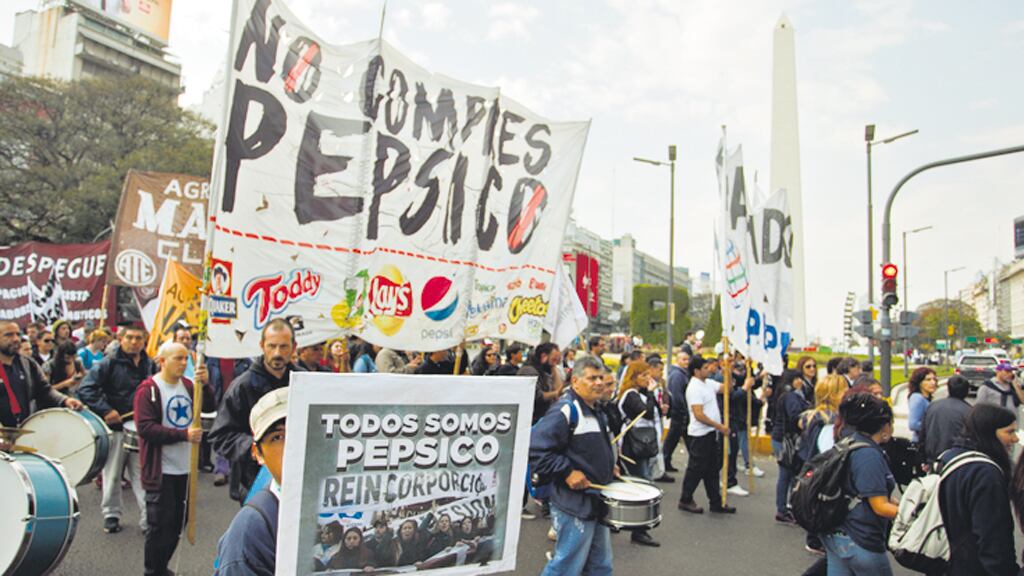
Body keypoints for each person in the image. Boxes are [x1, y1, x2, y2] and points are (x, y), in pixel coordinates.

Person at [531, 355, 616, 576]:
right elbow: (535, 449)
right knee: (566, 567)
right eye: (591, 378)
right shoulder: (566, 411)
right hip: (573, 504)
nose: (598, 382)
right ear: (575, 382)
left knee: (600, 566)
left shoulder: (597, 409)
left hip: (596, 501)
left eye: (600, 377)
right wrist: (567, 472)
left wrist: (610, 467)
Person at [134, 341, 212, 576]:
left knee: (178, 523)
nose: (183, 363)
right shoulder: (148, 390)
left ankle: (162, 567)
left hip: (184, 469)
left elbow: (208, 407)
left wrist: (206, 386)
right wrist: (183, 435)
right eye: (177, 358)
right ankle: (153, 570)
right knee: (159, 526)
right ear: (162, 361)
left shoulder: (189, 386)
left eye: (185, 358)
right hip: (161, 470)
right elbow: (145, 428)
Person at [210, 318, 299, 503]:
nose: (277, 353)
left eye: (283, 347)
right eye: (272, 346)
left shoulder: (303, 381)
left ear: (294, 346)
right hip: (254, 483)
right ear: (262, 345)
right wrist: (262, 447)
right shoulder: (242, 386)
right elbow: (220, 437)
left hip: (297, 481)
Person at [78, 323, 156, 534]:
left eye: (138, 338)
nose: (133, 342)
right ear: (121, 339)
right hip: (117, 427)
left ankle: (147, 518)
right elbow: (85, 388)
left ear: (144, 341)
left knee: (142, 475)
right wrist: (106, 410)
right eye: (129, 337)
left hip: (141, 427)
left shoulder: (150, 364)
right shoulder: (109, 362)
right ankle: (111, 514)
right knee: (112, 473)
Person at [214, 386, 290, 575]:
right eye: (277, 437)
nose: (292, 445)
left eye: (302, 429)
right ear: (258, 453)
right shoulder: (251, 530)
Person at [820, 393, 897, 576]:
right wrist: (911, 514)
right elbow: (879, 507)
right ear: (885, 426)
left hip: (836, 534)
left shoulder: (850, 442)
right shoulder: (869, 455)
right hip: (860, 538)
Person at [942, 404, 1019, 575]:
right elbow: (992, 539)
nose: (1015, 439)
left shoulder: (951, 457)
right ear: (989, 433)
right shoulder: (987, 474)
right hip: (978, 568)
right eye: (1009, 432)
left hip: (953, 563)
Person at [0, 320, 82, 433]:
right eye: (8, 335)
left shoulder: (27, 364)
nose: (15, 339)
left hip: (22, 430)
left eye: (17, 334)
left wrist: (65, 400)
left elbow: (44, 390)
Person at [679, 355, 735, 514]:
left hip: (711, 433)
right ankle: (685, 498)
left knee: (712, 469)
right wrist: (720, 426)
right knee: (696, 469)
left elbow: (727, 389)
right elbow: (699, 415)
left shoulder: (708, 383)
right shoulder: (694, 388)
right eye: (704, 368)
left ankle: (716, 502)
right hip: (699, 434)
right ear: (696, 371)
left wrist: (727, 372)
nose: (709, 370)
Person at [617, 360, 662, 545]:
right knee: (642, 484)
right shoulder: (630, 395)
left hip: (643, 443)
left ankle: (637, 527)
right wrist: (651, 393)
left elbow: (658, 411)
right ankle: (639, 530)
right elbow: (648, 413)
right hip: (632, 446)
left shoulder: (640, 394)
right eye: (643, 375)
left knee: (642, 482)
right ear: (634, 377)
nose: (647, 378)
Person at [772, 356, 813, 524]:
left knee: (789, 475)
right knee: (786, 475)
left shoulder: (793, 395)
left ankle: (787, 506)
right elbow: (795, 417)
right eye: (796, 379)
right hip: (786, 439)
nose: (799, 381)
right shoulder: (790, 397)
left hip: (785, 438)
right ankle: (782, 509)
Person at [920, 374, 972, 462]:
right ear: (967, 391)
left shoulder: (933, 406)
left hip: (934, 458)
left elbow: (923, 434)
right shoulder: (969, 411)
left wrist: (922, 458)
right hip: (957, 460)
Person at [519, 342, 562, 426]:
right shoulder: (529, 371)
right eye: (553, 359)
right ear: (543, 357)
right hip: (532, 420)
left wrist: (553, 367)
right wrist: (556, 393)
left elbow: (558, 389)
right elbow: (538, 396)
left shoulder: (545, 371)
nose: (555, 363)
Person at [663, 350, 690, 473]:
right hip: (679, 412)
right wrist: (684, 410)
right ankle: (664, 461)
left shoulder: (682, 374)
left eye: (687, 359)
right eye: (683, 359)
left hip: (681, 412)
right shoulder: (678, 375)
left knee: (675, 438)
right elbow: (677, 395)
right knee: (673, 438)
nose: (686, 362)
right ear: (677, 360)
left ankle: (666, 461)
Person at [906, 367, 937, 443]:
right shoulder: (917, 398)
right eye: (928, 380)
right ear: (919, 382)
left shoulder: (925, 398)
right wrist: (934, 427)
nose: (933, 383)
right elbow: (913, 424)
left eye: (934, 379)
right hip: (920, 443)